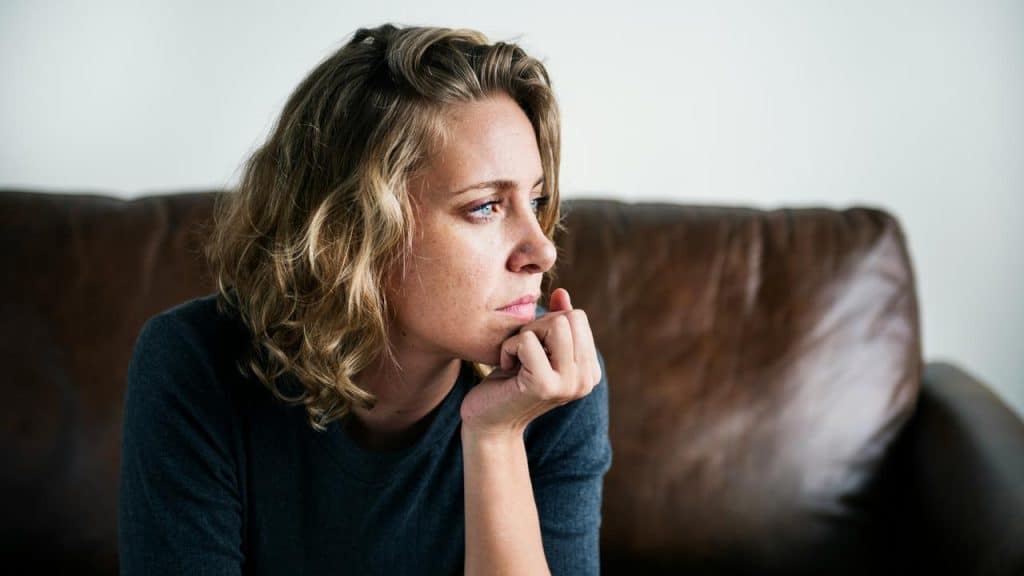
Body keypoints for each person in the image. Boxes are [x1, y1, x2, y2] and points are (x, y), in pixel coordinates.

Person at [119, 23, 611, 575]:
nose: (541, 250)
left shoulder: (553, 384)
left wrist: (495, 436)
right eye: (485, 207)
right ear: (355, 230)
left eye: (537, 199)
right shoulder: (194, 364)